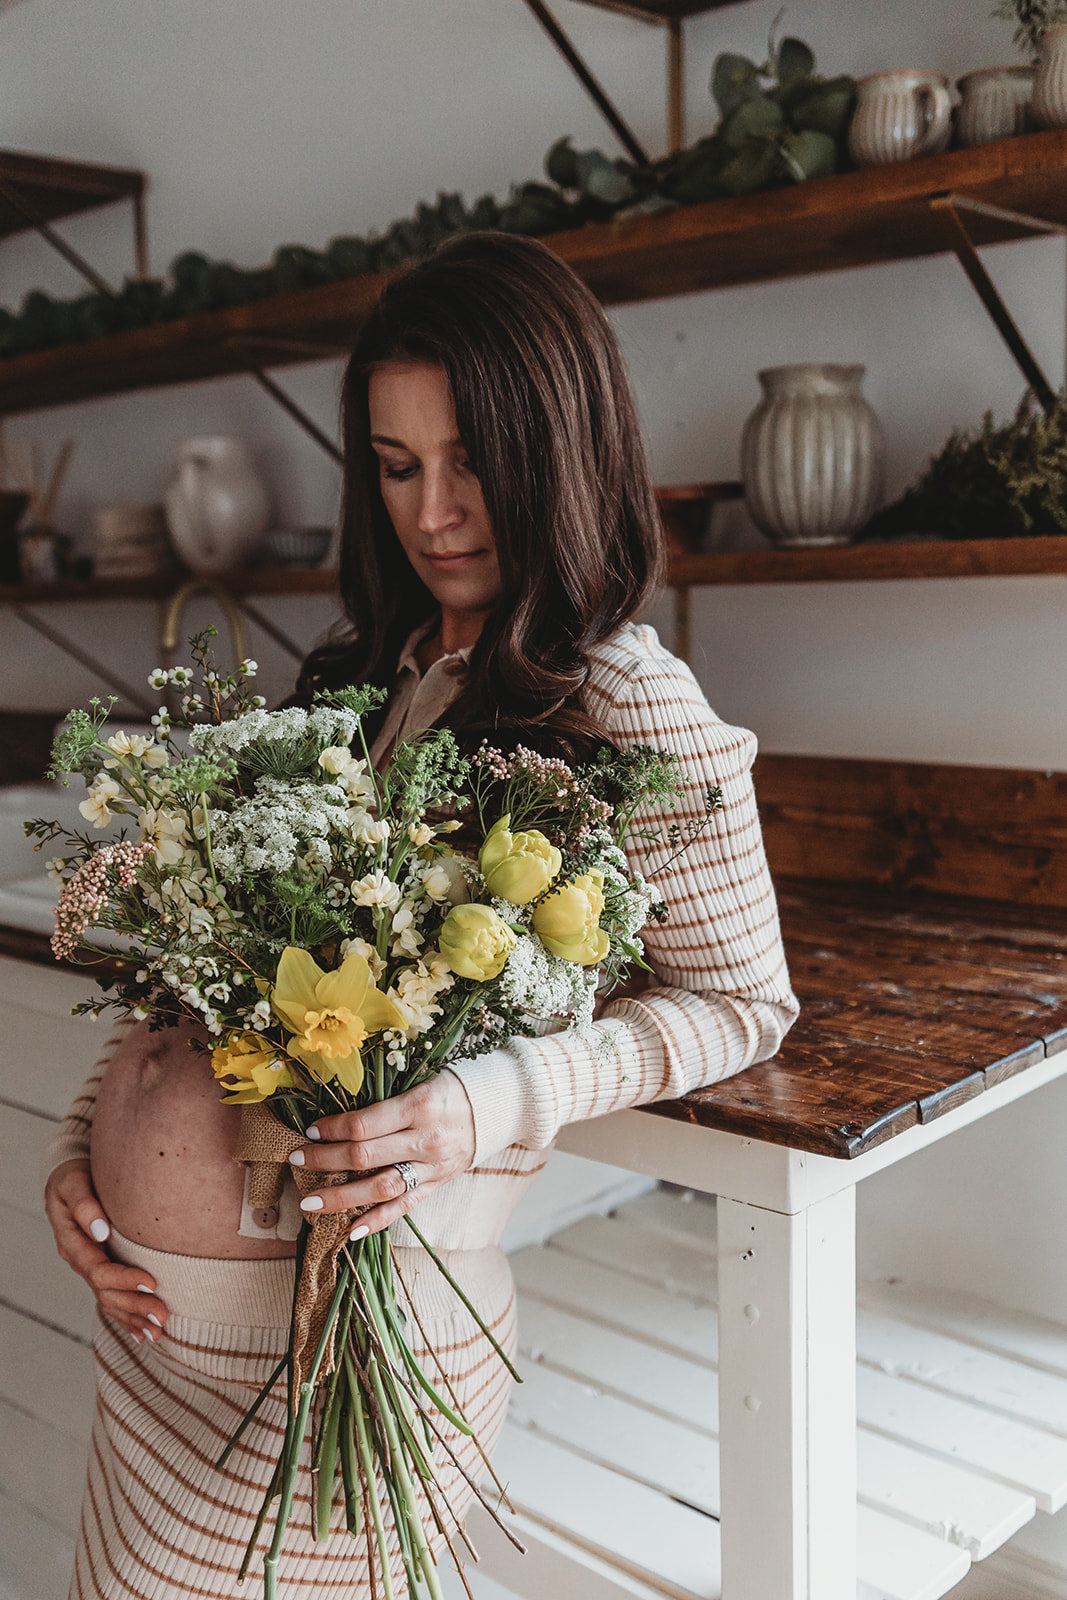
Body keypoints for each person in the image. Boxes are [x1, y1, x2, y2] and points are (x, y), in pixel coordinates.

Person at [44, 231, 799, 1599]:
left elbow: (748, 1003)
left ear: (558, 454)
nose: (434, 511)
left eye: (473, 464)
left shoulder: (626, 698)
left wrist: (491, 1099)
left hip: (347, 1350)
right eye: (396, 466)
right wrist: (84, 1153)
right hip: (168, 1325)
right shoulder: (373, 673)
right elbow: (217, 982)